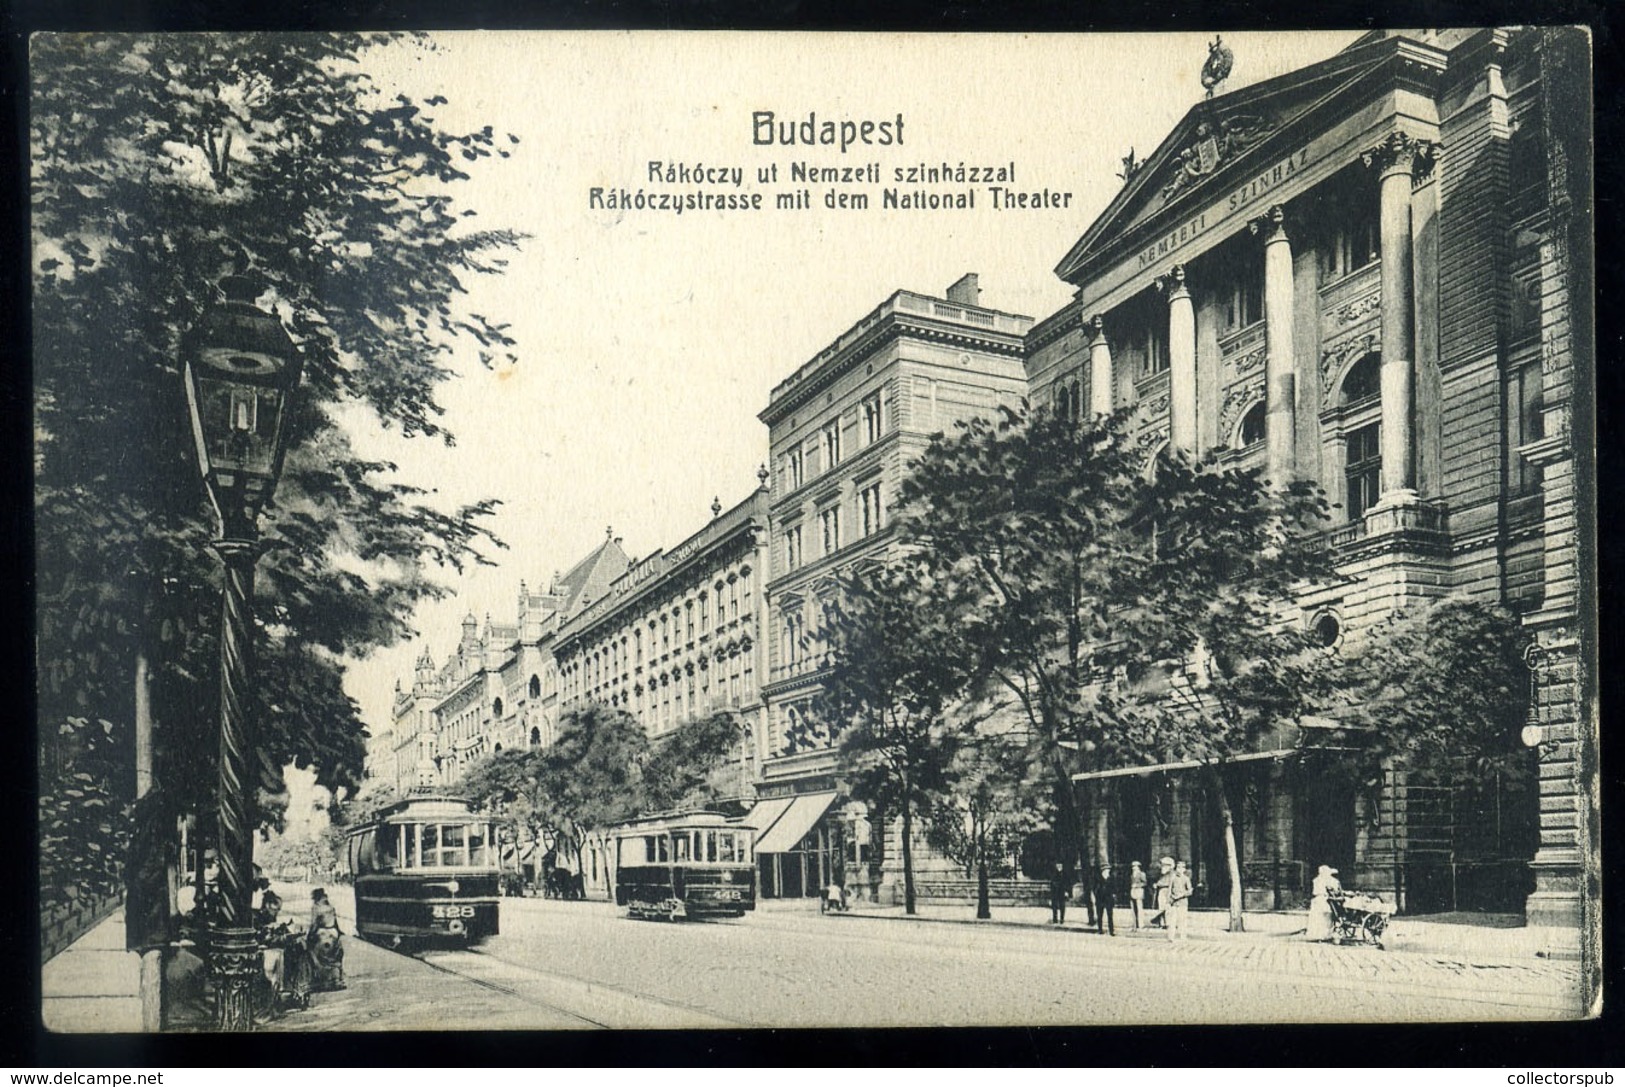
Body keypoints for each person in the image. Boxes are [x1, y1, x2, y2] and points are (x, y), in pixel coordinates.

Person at [306, 888, 345, 992]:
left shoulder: (316, 908)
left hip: (322, 933)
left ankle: (321, 981)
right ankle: (336, 979)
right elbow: (336, 923)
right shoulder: (331, 907)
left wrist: (309, 935)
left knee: (312, 952)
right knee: (335, 957)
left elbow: (314, 924)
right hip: (334, 933)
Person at [1306, 863, 1342, 941]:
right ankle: (1325, 935)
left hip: (1316, 900)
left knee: (1316, 917)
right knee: (1326, 917)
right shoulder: (1329, 880)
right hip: (1324, 900)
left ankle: (1316, 935)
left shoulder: (1316, 880)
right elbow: (1336, 890)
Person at [1167, 860, 1193, 941]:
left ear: (1184, 869)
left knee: (1182, 920)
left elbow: (1190, 891)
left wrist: (1182, 895)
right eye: (1178, 867)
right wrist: (1169, 900)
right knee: (1172, 921)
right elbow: (1169, 890)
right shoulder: (1173, 878)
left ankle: (1183, 936)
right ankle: (1171, 936)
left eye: (1182, 868)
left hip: (1183, 903)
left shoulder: (1186, 879)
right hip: (1174, 903)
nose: (1179, 869)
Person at [1149, 856, 1175, 929]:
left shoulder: (1172, 874)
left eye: (1165, 865)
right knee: (1161, 907)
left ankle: (1168, 923)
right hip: (1162, 891)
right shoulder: (1162, 874)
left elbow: (1169, 883)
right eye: (1162, 865)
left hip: (1168, 891)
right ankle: (1162, 923)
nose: (1163, 867)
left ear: (1170, 866)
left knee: (1167, 908)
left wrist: (1158, 884)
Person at [1095, 864, 1117, 936]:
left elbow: (1114, 888)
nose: (1107, 871)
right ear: (1103, 871)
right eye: (1106, 870)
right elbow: (1095, 888)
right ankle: (1100, 929)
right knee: (1100, 915)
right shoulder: (1098, 879)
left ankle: (1111, 930)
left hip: (1108, 899)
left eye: (1108, 870)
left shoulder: (1111, 878)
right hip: (1100, 899)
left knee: (1110, 916)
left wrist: (1113, 894)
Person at [1128, 860, 1147, 930]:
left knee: (1139, 908)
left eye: (1135, 866)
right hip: (1133, 892)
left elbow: (1145, 883)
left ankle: (1141, 924)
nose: (1133, 868)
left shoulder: (1142, 874)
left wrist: (1137, 885)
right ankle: (1134, 924)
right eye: (1133, 866)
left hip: (1139, 891)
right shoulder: (1132, 875)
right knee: (1133, 908)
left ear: (1138, 867)